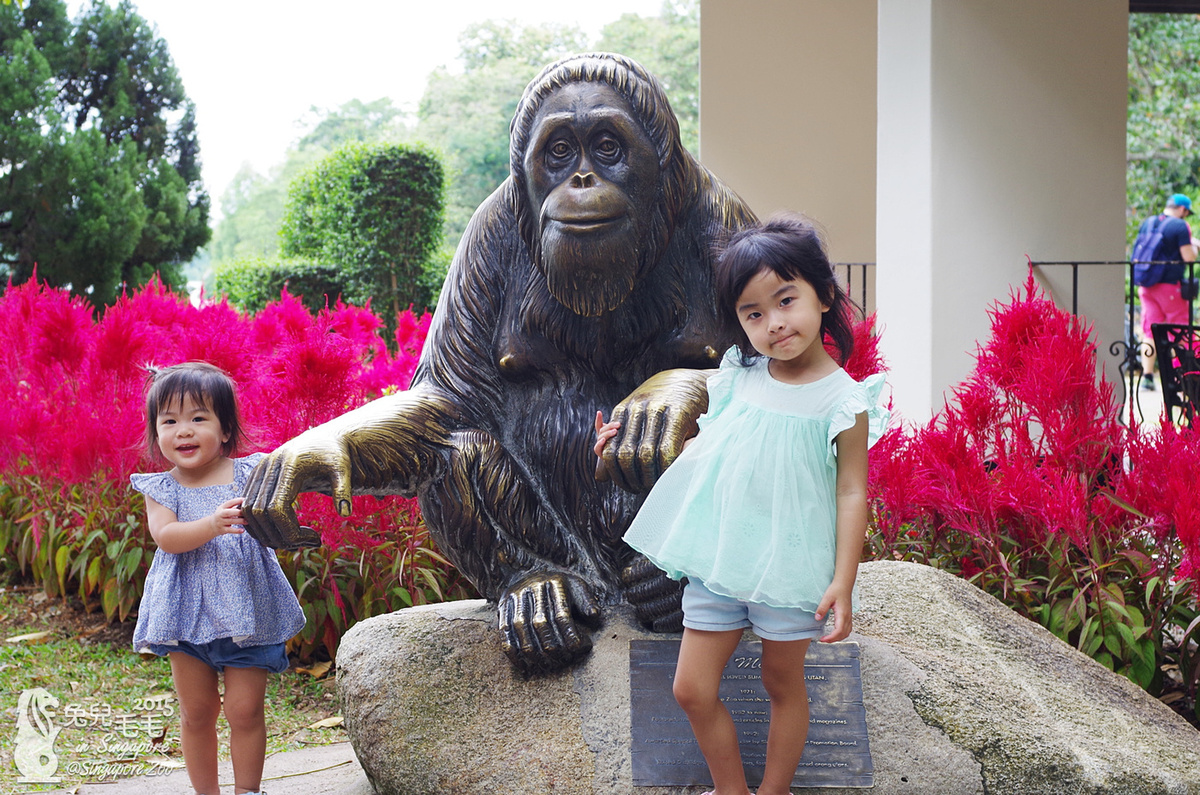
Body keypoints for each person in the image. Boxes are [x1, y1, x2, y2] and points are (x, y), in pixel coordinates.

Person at [595, 214, 889, 795]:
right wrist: (617, 452)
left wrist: (843, 580)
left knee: (783, 682)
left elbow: (852, 489)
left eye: (786, 300)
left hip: (789, 564)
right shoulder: (737, 377)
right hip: (721, 558)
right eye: (754, 314)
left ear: (824, 295)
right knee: (691, 689)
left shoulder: (844, 400)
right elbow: (704, 457)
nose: (774, 323)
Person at [131, 362, 305, 795]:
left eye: (198, 418)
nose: (183, 431)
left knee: (245, 711)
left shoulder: (251, 473)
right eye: (169, 421)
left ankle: (248, 791)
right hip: (185, 615)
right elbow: (168, 538)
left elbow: (282, 513)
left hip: (248, 610)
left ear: (226, 429)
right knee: (196, 712)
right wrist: (211, 524)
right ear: (156, 434)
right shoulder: (161, 488)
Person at [1134, 193, 1196, 390]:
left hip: (1146, 286)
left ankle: (1148, 377)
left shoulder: (1149, 222)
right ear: (1183, 210)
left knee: (1150, 331)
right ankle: (1185, 376)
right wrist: (1194, 246)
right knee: (1180, 330)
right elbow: (1189, 258)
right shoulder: (1180, 226)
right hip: (1170, 287)